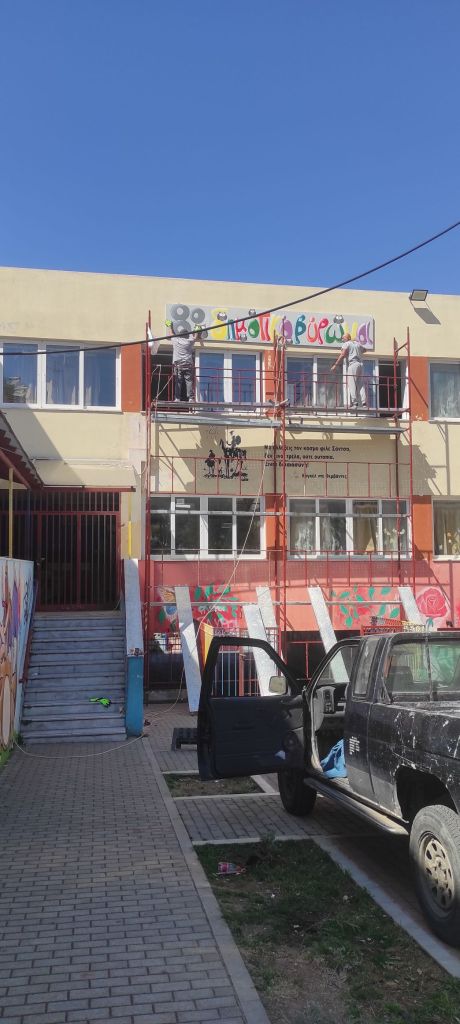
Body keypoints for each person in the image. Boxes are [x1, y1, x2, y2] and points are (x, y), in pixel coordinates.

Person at [331, 333, 367, 410]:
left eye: (343, 338)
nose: (342, 340)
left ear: (347, 338)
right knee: (360, 384)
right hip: (360, 365)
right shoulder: (357, 343)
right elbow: (365, 350)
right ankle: (364, 403)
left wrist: (335, 365)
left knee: (352, 384)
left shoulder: (347, 343)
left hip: (353, 364)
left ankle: (355, 403)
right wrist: (356, 352)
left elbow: (342, 354)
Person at [166, 320, 196, 402]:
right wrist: (197, 330)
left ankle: (177, 398)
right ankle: (191, 398)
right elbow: (195, 337)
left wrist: (169, 325)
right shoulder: (189, 341)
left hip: (178, 365)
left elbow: (171, 334)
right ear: (187, 336)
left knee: (178, 381)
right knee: (189, 381)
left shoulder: (176, 340)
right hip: (188, 364)